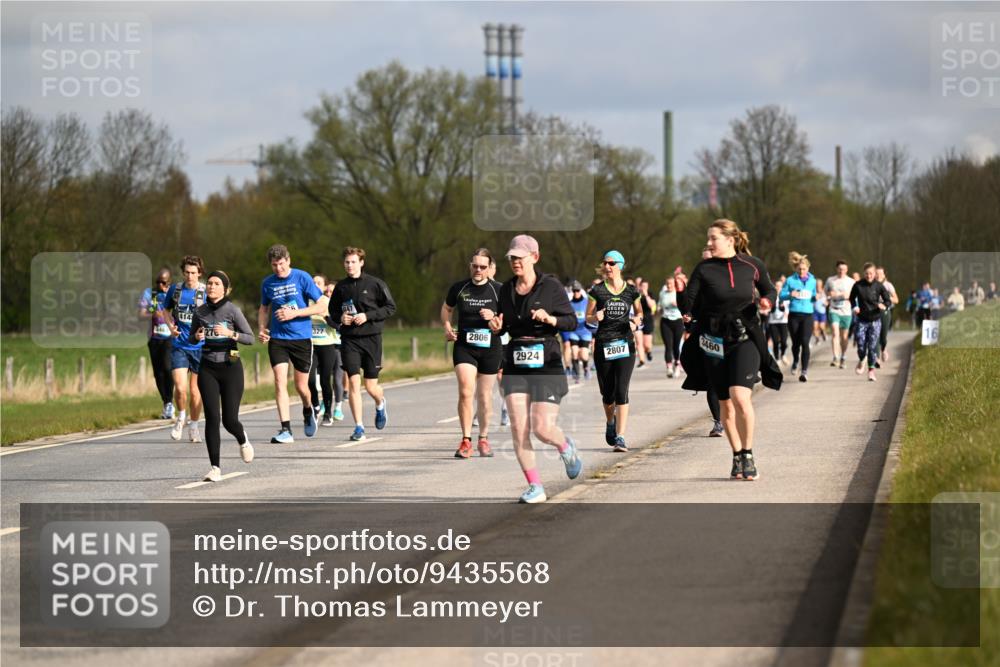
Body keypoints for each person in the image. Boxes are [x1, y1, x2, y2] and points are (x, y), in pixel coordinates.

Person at [487, 234, 582, 503]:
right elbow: (503, 325)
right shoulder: (505, 290)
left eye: (520, 257)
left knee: (542, 428)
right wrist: (497, 327)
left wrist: (550, 318)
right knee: (518, 429)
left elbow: (571, 322)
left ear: (534, 257)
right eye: (512, 258)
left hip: (547, 361)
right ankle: (535, 487)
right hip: (515, 362)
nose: (515, 262)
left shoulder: (550, 287)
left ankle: (565, 446)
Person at [681, 219, 779, 481]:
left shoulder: (752, 264)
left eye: (714, 238)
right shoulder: (703, 268)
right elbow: (689, 299)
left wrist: (767, 299)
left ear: (730, 239)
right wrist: (686, 309)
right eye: (709, 238)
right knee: (724, 401)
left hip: (744, 336)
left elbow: (768, 288)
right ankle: (737, 455)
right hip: (712, 339)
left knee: (741, 397)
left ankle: (748, 452)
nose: (709, 243)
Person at [189, 270, 255, 482]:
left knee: (229, 420)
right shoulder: (200, 312)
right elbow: (191, 338)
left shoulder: (232, 310)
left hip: (231, 366)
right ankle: (215, 467)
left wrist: (230, 334)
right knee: (212, 418)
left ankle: (243, 439)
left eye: (216, 284)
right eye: (209, 283)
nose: (211, 286)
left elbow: (250, 338)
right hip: (207, 367)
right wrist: (196, 336)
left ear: (225, 288)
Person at [258, 244, 328, 444]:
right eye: (274, 265)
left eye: (281, 264)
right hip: (278, 339)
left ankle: (308, 409)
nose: (278, 269)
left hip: (301, 338)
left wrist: (295, 313)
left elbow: (322, 305)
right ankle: (286, 429)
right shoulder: (267, 283)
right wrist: (262, 329)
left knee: (301, 387)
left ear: (288, 261)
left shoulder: (302, 277)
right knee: (280, 381)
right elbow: (264, 308)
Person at [328, 246, 396, 442]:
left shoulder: (375, 283)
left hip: (372, 339)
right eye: (347, 262)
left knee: (371, 386)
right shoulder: (341, 287)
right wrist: (341, 318)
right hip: (349, 340)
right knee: (354, 383)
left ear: (361, 262)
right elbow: (332, 312)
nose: (350, 265)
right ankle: (359, 427)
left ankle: (380, 403)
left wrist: (367, 316)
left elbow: (391, 307)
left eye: (353, 262)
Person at [442, 249, 503, 459]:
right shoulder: (459, 288)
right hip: (464, 345)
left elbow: (504, 322)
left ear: (489, 268)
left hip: (491, 348)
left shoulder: (498, 290)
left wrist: (494, 317)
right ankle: (466, 440)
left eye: (483, 267)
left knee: (484, 396)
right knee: (466, 391)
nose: (478, 270)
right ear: (470, 266)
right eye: (475, 266)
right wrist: (447, 326)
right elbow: (447, 308)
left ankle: (483, 438)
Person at [587, 250, 643, 452]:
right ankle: (611, 421)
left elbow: (640, 313)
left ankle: (620, 437)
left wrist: (637, 322)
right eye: (605, 263)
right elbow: (587, 317)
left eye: (611, 263)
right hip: (603, 345)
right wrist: (596, 317)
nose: (607, 267)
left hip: (625, 345)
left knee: (622, 391)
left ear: (620, 265)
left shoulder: (632, 291)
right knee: (607, 394)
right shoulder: (597, 290)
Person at [165, 256, 206, 443]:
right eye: (187, 272)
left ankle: (195, 425)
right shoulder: (176, 290)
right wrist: (170, 326)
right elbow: (165, 310)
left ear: (199, 273)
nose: (190, 276)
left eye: (193, 273)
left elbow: (217, 314)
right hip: (180, 345)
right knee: (180, 388)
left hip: (200, 347)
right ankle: (181, 417)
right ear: (183, 273)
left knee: (195, 390)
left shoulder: (206, 291)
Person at [138, 267, 175, 419]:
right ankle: (166, 403)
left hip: (169, 337)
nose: (160, 285)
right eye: (158, 282)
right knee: (158, 372)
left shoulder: (174, 293)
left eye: (164, 282)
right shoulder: (150, 294)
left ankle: (171, 402)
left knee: (167, 367)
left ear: (169, 282)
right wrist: (152, 313)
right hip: (153, 337)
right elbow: (140, 314)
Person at [309, 274, 344, 426]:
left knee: (325, 380)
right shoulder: (306, 303)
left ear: (324, 287)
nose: (315, 284)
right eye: (313, 282)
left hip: (328, 345)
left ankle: (328, 413)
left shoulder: (330, 303)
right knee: (309, 380)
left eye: (318, 283)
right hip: (310, 346)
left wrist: (325, 317)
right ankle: (316, 406)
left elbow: (338, 326)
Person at [850, 263, 892, 382]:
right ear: (864, 273)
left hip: (875, 320)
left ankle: (871, 371)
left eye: (871, 273)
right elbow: (852, 298)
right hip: (862, 319)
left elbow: (888, 300)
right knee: (861, 345)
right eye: (867, 273)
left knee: (872, 346)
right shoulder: (858, 285)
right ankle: (862, 358)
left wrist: (884, 305)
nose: (869, 276)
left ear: (874, 274)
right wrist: (855, 307)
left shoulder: (879, 286)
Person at [780, 251, 817, 382]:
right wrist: (791, 294)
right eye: (800, 269)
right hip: (794, 315)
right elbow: (781, 295)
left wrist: (815, 297)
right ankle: (796, 360)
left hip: (808, 315)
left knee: (805, 343)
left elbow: (813, 295)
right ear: (796, 268)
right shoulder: (790, 281)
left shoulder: (813, 281)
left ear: (808, 268)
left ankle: (804, 371)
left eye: (804, 269)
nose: (802, 271)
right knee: (796, 343)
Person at [561, 281, 593, 382]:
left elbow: (591, 316)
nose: (576, 293)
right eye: (574, 291)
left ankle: (586, 368)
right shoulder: (569, 304)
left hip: (585, 331)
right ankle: (576, 374)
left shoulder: (587, 302)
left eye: (577, 291)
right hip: (574, 331)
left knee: (583, 354)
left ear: (581, 291)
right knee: (574, 352)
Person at [825, 260, 856, 369]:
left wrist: (846, 296)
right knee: (835, 332)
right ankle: (835, 357)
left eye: (843, 269)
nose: (841, 271)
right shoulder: (830, 280)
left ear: (847, 270)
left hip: (846, 311)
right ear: (836, 269)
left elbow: (854, 296)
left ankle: (843, 356)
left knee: (844, 336)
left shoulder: (851, 281)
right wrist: (830, 294)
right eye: (839, 269)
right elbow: (826, 292)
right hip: (834, 310)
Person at [658, 276, 684, 378]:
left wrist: (678, 304)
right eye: (667, 284)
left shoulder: (678, 293)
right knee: (668, 346)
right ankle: (669, 367)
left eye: (671, 284)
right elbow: (659, 304)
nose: (669, 286)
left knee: (676, 346)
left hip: (677, 321)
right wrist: (659, 308)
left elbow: (685, 306)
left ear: (675, 285)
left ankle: (677, 365)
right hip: (665, 321)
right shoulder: (662, 293)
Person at [875, 267, 899, 362]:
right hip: (873, 312)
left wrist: (887, 297)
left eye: (880, 274)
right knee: (875, 334)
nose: (878, 276)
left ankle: (883, 349)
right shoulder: (871, 285)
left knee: (883, 336)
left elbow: (896, 300)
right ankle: (876, 358)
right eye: (876, 273)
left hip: (885, 312)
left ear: (884, 275)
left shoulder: (888, 285)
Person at [767, 277, 790, 365]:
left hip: (783, 321)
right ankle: (777, 358)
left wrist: (787, 313)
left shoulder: (785, 296)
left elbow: (788, 307)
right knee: (775, 341)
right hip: (773, 322)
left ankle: (783, 354)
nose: (778, 287)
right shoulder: (771, 296)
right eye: (776, 286)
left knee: (784, 341)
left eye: (780, 286)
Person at [812, 278, 828, 345]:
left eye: (819, 284)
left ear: (821, 284)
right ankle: (817, 339)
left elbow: (828, 301)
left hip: (822, 312)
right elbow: (811, 300)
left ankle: (823, 333)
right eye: (817, 284)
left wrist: (826, 303)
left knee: (821, 327)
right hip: (814, 311)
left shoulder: (824, 292)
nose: (818, 285)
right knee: (815, 326)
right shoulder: (813, 291)